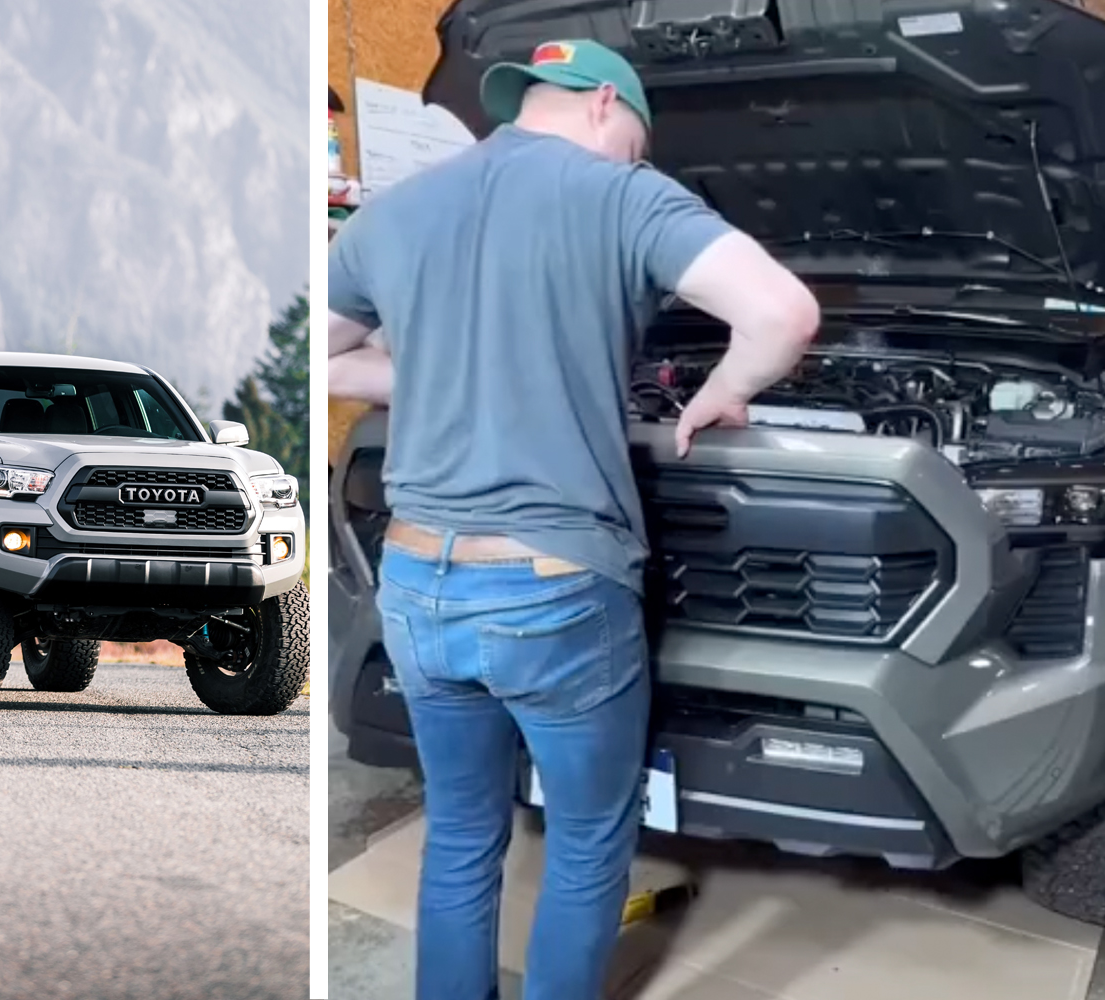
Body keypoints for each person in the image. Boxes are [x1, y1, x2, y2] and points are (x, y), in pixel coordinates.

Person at [326, 38, 819, 1000]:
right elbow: (785, 315)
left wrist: (444, 371)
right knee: (591, 843)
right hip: (552, 587)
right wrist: (719, 392)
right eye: (638, 143)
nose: (637, 160)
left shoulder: (398, 209)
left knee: (462, 837)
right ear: (604, 105)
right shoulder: (622, 195)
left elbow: (327, 354)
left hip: (419, 583)